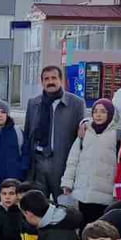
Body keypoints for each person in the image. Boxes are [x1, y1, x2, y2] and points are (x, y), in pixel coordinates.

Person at [23, 66, 85, 200]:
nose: (50, 82)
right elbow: (28, 134)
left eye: (54, 78)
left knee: (64, 207)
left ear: (61, 80)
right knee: (38, 206)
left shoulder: (76, 104)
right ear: (42, 82)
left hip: (62, 164)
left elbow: (80, 138)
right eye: (46, 79)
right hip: (38, 163)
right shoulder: (33, 103)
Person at [61, 98, 120, 224]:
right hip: (83, 193)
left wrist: (117, 191)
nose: (98, 115)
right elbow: (73, 160)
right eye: (95, 111)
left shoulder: (118, 136)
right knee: (82, 228)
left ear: (111, 114)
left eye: (103, 112)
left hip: (105, 194)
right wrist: (67, 183)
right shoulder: (85, 133)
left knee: (100, 229)